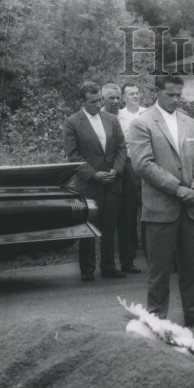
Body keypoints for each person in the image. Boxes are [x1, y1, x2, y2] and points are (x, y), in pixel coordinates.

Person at [127, 75, 194, 325]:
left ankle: (193, 314)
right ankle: (157, 318)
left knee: (192, 266)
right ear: (157, 92)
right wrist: (177, 189)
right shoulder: (142, 123)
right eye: (169, 94)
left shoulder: (191, 123)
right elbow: (142, 164)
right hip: (161, 208)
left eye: (178, 95)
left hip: (191, 206)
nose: (175, 99)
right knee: (159, 270)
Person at [64, 81, 126, 281]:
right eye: (93, 102)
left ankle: (109, 267)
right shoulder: (72, 122)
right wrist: (93, 174)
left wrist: (116, 171)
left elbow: (121, 148)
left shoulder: (112, 120)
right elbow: (73, 156)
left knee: (110, 227)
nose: (98, 105)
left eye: (99, 100)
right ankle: (87, 271)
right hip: (90, 185)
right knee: (89, 228)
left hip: (112, 182)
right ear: (83, 101)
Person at [103, 82, 141, 273]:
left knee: (127, 216)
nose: (116, 102)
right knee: (109, 219)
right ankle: (107, 264)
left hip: (125, 169)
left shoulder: (126, 117)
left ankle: (128, 260)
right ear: (103, 99)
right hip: (104, 173)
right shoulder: (99, 117)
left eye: (118, 98)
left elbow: (124, 147)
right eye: (112, 98)